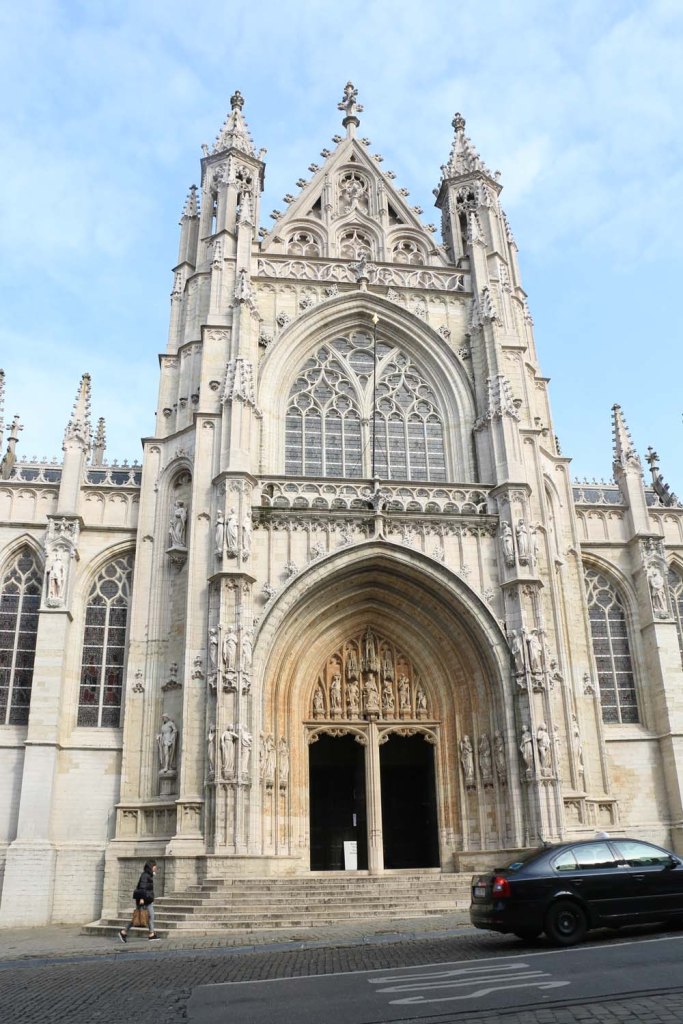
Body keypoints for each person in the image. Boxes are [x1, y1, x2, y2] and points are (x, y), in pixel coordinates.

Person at [119, 860, 159, 941]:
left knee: (151, 915)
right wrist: (141, 898)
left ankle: (151, 934)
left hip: (147, 899)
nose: (156, 867)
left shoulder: (149, 875)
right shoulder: (145, 875)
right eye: (155, 866)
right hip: (144, 900)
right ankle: (123, 932)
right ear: (151, 866)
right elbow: (142, 887)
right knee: (138, 917)